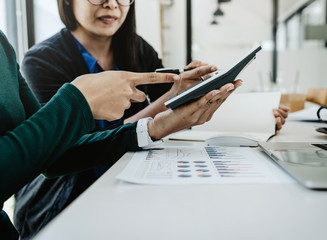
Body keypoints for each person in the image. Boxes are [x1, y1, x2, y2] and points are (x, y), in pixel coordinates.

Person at [14, 0, 289, 239]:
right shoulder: (41, 60)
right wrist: (170, 98)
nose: (111, 4)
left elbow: (177, 110)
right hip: (63, 194)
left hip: (126, 179)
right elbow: (71, 148)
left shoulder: (137, 48)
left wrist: (255, 116)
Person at [0, 29, 240, 240]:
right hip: (62, 207)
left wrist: (154, 128)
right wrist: (78, 102)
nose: (111, 4)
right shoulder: (43, 58)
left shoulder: (3, 45)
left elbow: (55, 153)